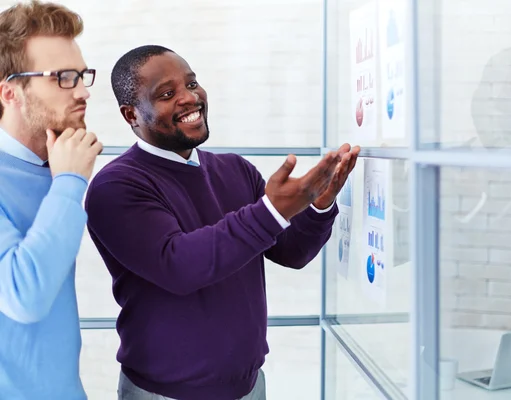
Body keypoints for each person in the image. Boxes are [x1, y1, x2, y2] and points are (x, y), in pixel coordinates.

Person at [84, 44, 359, 400]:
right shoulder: (116, 186)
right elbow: (179, 265)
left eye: (192, 83)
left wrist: (319, 205)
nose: (189, 98)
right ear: (131, 115)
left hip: (249, 387)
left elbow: (292, 252)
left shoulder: (235, 169)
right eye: (167, 94)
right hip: (163, 394)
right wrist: (271, 211)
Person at [0, 1, 103, 398]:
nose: (81, 92)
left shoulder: (56, 167)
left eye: (80, 75)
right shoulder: (66, 176)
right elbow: (25, 295)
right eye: (62, 77)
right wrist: (70, 181)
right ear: (10, 92)